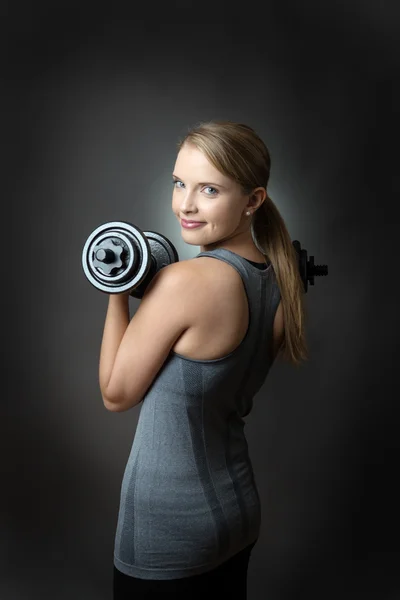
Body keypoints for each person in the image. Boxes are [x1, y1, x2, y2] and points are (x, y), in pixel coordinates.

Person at [99, 120, 309, 599]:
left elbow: (116, 393)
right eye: (179, 183)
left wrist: (115, 291)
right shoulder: (281, 282)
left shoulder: (187, 283)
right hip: (238, 515)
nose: (185, 205)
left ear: (253, 200)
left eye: (209, 189)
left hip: (170, 532)